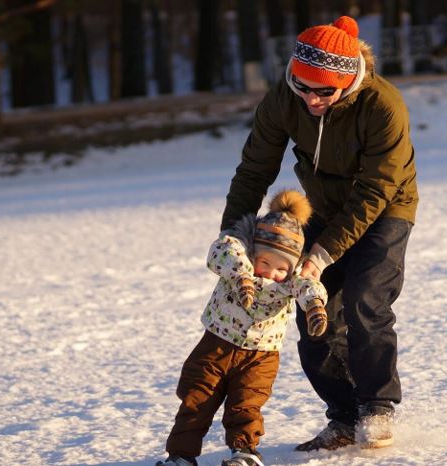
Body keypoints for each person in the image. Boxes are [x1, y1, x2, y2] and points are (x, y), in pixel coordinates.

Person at [220, 16, 418, 450]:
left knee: (367, 301)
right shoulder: (283, 99)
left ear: (348, 81)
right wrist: (232, 236)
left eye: (323, 91)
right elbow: (255, 170)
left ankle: (377, 408)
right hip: (322, 210)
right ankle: (345, 416)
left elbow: (375, 189)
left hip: (386, 208)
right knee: (316, 312)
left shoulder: (384, 105)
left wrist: (323, 252)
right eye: (301, 86)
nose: (310, 98)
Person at [156, 190, 329, 466]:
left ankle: (245, 453)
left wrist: (315, 306)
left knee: (246, 405)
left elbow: (309, 285)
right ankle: (180, 456)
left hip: (260, 357)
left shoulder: (292, 278)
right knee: (196, 399)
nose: (272, 273)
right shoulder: (237, 258)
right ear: (254, 253)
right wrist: (242, 275)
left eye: (281, 269)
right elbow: (220, 251)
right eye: (265, 263)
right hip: (215, 346)